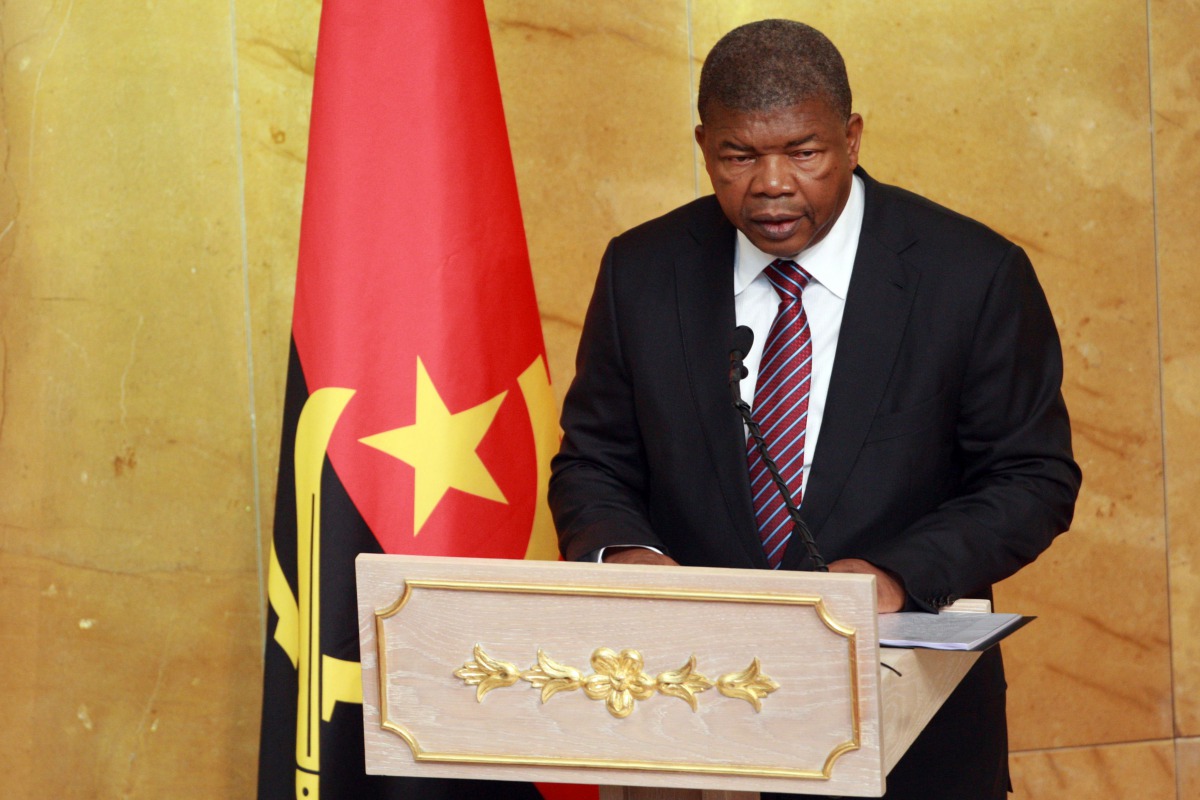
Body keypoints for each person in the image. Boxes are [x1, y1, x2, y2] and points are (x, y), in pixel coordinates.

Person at [548, 18, 1081, 800]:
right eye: (738, 156)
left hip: (906, 731)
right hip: (686, 722)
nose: (770, 183)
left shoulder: (971, 274)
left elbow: (1032, 478)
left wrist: (897, 575)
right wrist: (626, 556)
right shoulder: (642, 270)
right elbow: (593, 462)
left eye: (803, 152)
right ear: (704, 147)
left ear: (852, 138)